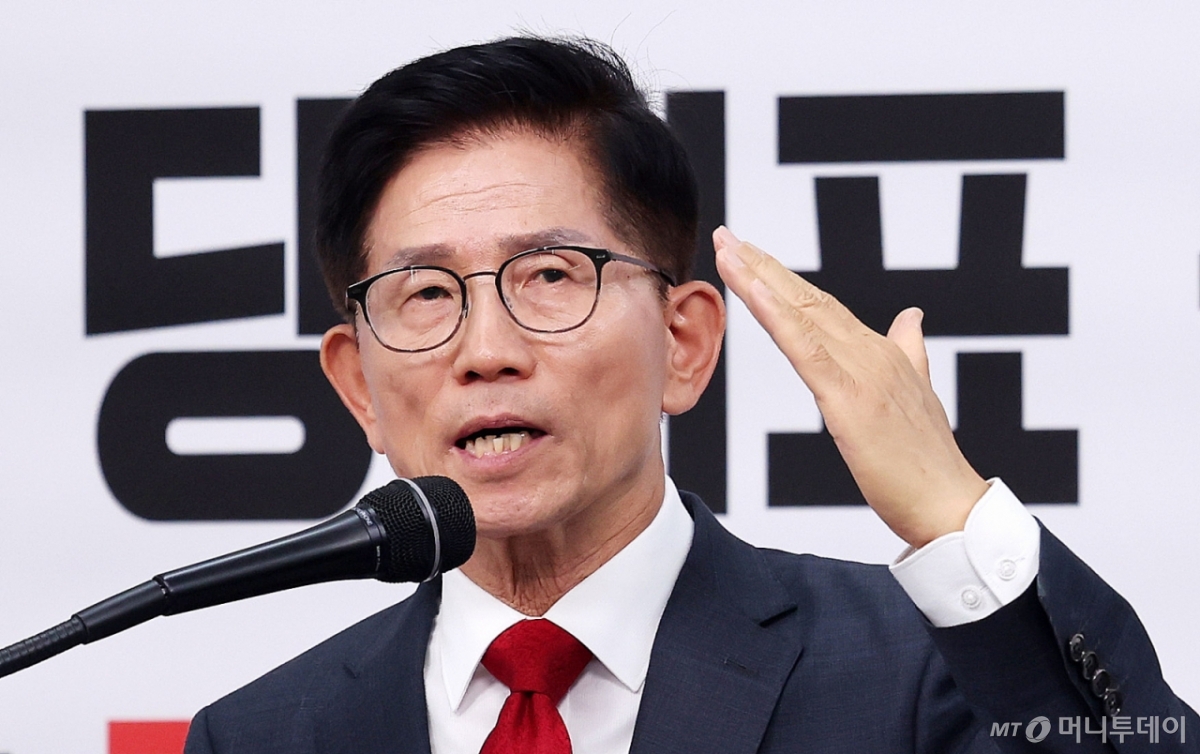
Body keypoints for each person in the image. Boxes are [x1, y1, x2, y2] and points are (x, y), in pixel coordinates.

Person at [183, 36, 1195, 753]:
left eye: (550, 275)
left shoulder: (922, 672)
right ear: (358, 383)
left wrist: (953, 514)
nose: (486, 350)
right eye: (427, 293)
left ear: (684, 342)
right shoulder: (265, 734)